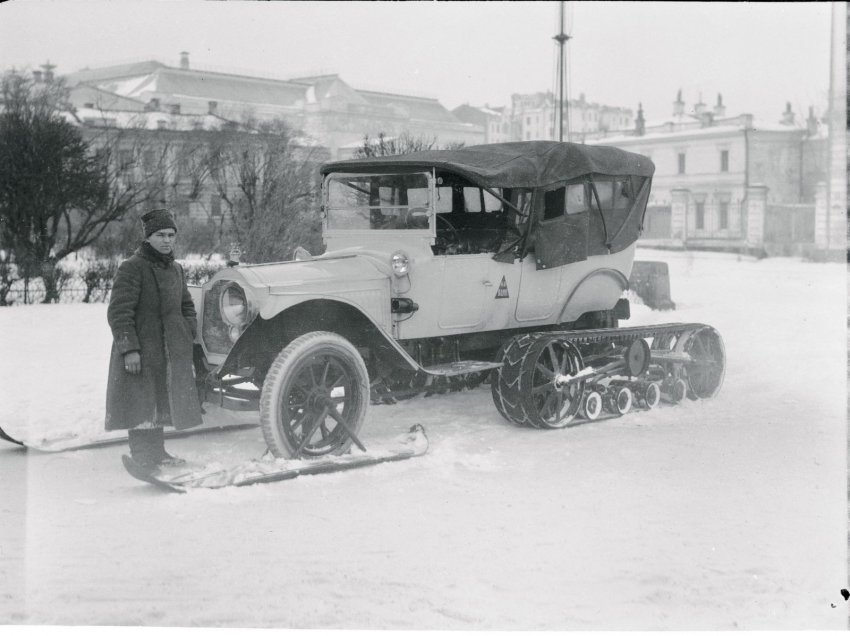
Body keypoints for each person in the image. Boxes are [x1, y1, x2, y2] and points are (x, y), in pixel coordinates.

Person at [105, 208, 203, 468]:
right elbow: (119, 312)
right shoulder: (132, 267)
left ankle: (158, 452)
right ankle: (142, 456)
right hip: (142, 350)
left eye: (171, 235)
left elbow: (187, 307)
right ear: (148, 237)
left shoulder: (176, 270)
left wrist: (186, 330)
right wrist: (129, 350)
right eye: (160, 234)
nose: (167, 240)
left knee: (160, 401)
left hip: (169, 350)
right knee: (141, 402)